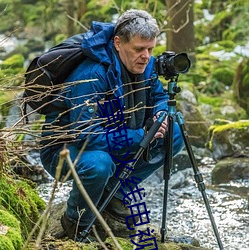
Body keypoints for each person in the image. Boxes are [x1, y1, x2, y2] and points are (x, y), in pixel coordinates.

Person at [40, 9, 184, 241]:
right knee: (99, 164)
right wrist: (141, 135)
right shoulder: (91, 75)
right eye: (139, 49)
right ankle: (76, 222)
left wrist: (160, 114)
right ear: (118, 43)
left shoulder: (144, 64)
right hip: (67, 150)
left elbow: (158, 96)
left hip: (116, 136)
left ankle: (114, 193)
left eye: (150, 49)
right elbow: (86, 135)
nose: (146, 56)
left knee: (174, 132)